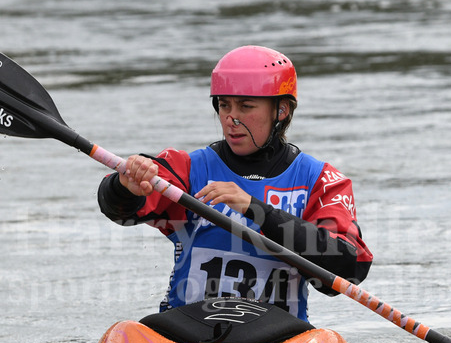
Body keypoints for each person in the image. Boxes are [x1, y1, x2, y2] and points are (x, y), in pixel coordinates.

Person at [97, 45, 372, 322]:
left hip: (279, 339)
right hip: (186, 333)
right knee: (128, 331)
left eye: (246, 106)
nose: (231, 118)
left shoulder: (320, 181)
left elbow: (348, 267)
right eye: (224, 105)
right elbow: (120, 210)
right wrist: (126, 186)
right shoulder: (189, 169)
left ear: (282, 110)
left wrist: (256, 209)